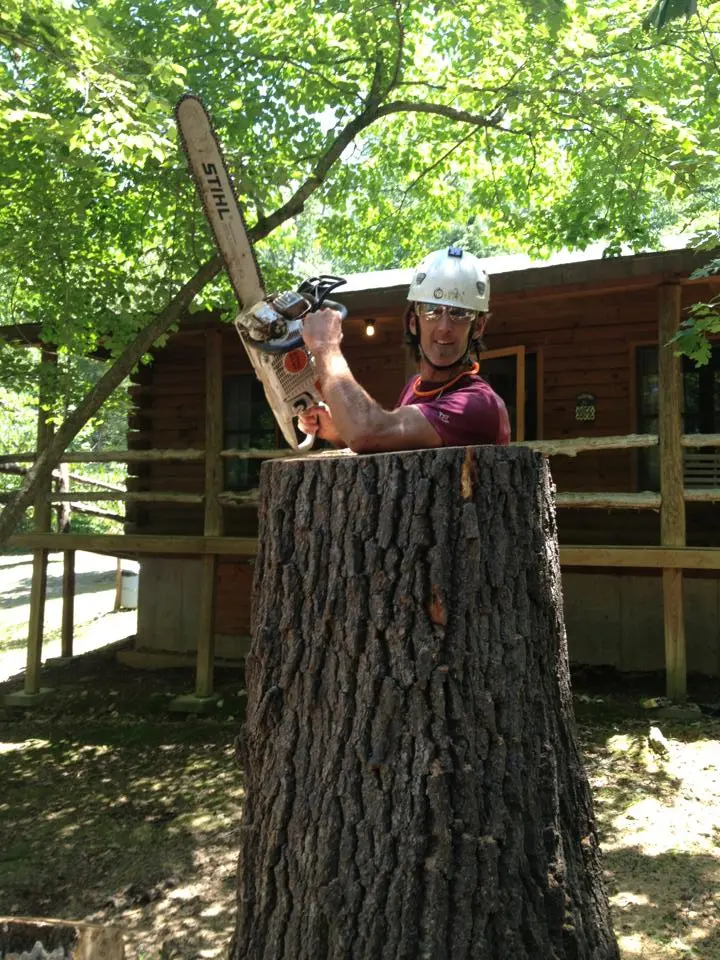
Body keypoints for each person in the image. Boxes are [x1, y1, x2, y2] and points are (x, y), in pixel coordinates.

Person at [298, 246, 511, 453]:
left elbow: (368, 433)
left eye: (459, 314)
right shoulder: (415, 386)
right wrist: (336, 429)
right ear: (412, 321)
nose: (444, 327)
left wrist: (326, 347)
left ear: (478, 327)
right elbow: (383, 442)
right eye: (431, 311)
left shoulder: (479, 405)